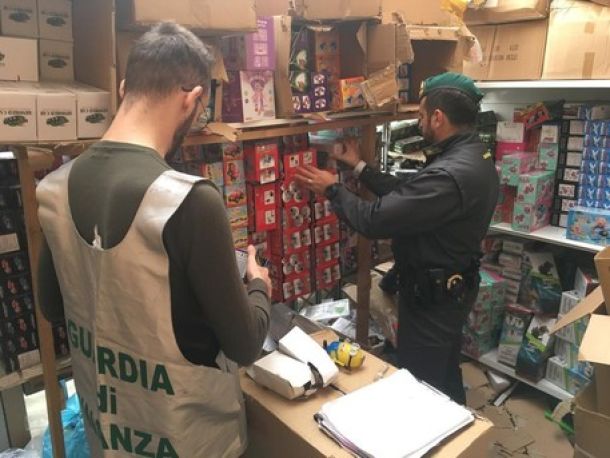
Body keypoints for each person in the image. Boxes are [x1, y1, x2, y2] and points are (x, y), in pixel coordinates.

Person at [37, 22, 271, 457]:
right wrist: (258, 286)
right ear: (192, 98)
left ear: (124, 88)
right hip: (188, 441)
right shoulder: (190, 201)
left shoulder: (54, 189)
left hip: (106, 435)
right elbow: (244, 344)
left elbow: (53, 307)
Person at [296, 72, 499, 404]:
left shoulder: (449, 174)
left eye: (421, 115)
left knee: (419, 387)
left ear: (438, 117)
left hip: (433, 301)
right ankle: (460, 428)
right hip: (451, 291)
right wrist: (360, 167)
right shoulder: (472, 155)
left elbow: (373, 220)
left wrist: (332, 189)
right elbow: (409, 195)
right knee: (445, 374)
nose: (418, 122)